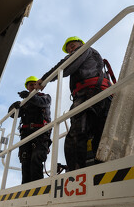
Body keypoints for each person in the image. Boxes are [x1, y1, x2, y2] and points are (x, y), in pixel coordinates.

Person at [35, 36, 112, 171]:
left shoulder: (84, 49)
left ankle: (76, 175)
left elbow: (65, 66)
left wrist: (44, 79)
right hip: (102, 96)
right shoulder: (92, 56)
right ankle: (102, 171)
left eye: (72, 46)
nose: (71, 50)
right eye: (68, 49)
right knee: (98, 135)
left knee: (76, 136)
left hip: (89, 95)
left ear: (81, 43)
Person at [8, 76, 51, 183]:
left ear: (38, 86)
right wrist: (15, 106)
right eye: (30, 85)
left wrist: (29, 97)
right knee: (25, 160)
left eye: (34, 84)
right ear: (27, 87)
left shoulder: (45, 97)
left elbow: (42, 103)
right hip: (26, 134)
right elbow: (12, 115)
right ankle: (25, 187)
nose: (32, 86)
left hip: (41, 134)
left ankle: (37, 186)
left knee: (36, 158)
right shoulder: (25, 104)